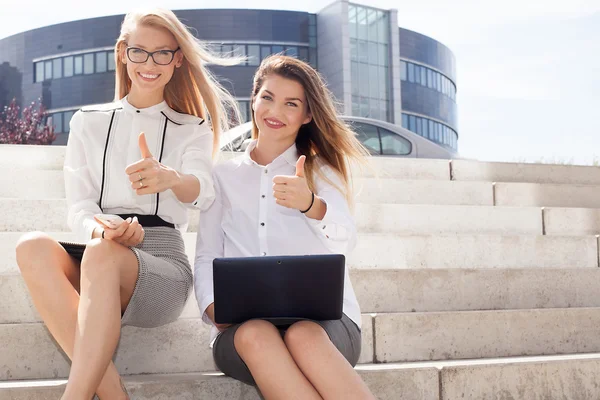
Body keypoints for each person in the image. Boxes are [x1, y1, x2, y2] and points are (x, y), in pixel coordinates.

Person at [15, 8, 239, 400]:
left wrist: (170, 178)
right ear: (122, 52)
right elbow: (79, 209)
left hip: (163, 265)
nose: (149, 64)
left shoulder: (193, 127)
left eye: (162, 54)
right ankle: (113, 391)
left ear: (177, 59)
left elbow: (204, 192)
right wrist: (104, 229)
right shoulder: (87, 121)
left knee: (101, 255)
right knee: (31, 246)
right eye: (139, 52)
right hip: (103, 250)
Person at [194, 55, 375, 400]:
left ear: (307, 115)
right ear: (254, 99)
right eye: (268, 97)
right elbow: (206, 256)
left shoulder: (321, 172)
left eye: (291, 104)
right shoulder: (222, 177)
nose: (275, 112)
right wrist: (216, 310)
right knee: (256, 333)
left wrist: (311, 204)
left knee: (302, 334)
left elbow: (345, 240)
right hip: (244, 334)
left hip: (328, 331)